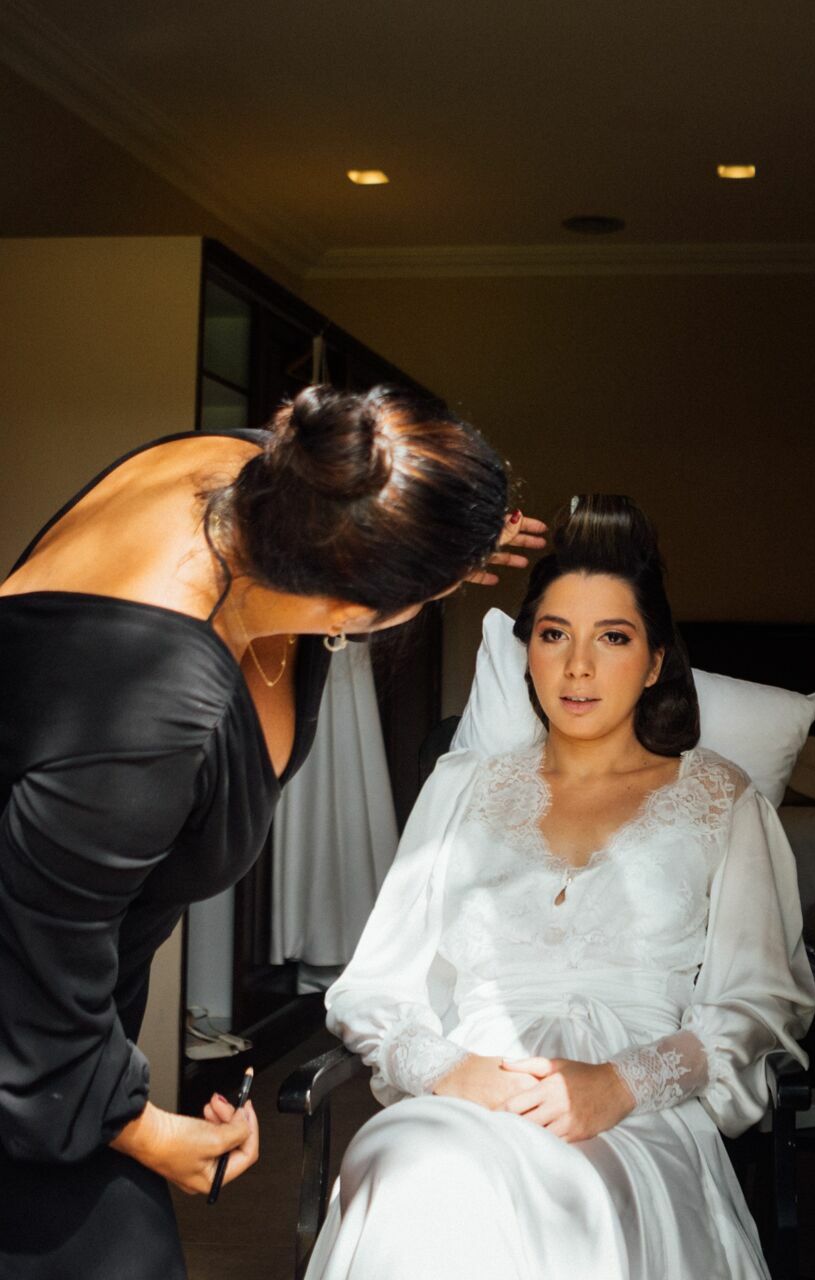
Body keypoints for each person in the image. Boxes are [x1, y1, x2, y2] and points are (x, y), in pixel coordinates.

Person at [0, 385, 541, 1280]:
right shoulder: (146, 714)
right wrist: (140, 1127)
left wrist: (441, 528)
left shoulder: (266, 477)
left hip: (63, 1028)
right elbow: (28, 965)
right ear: (350, 612)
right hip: (31, 1043)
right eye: (429, 596)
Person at [307, 495, 815, 1279]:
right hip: (465, 1102)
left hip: (633, 1117)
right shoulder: (462, 791)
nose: (578, 667)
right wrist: (447, 1072)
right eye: (554, 636)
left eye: (611, 638)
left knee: (570, 1208)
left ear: (652, 663)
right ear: (527, 655)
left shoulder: (723, 800)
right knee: (415, 1174)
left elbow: (759, 1003)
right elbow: (370, 989)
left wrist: (623, 1083)